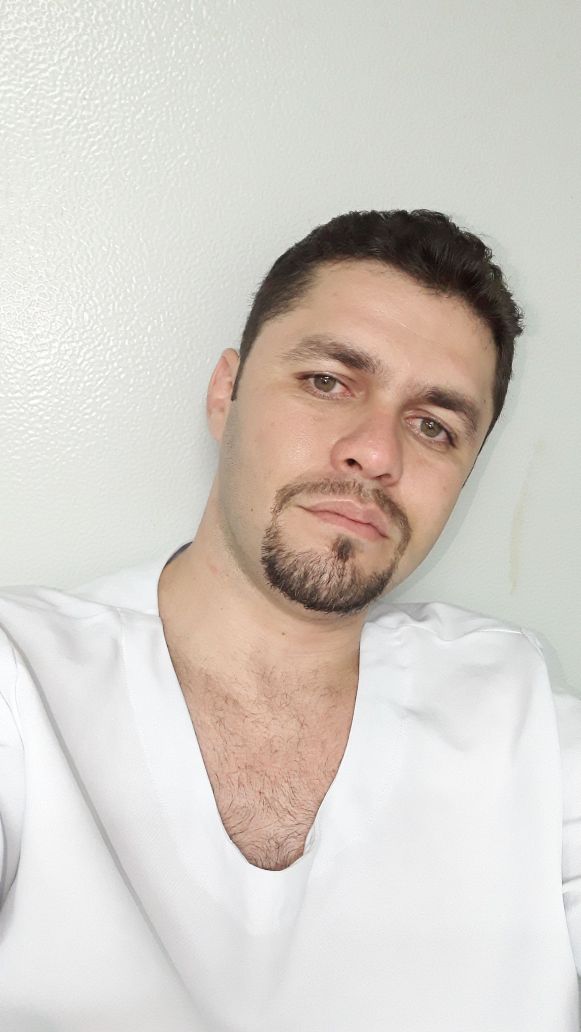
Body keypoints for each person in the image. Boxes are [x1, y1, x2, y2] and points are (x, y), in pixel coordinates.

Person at [0, 209, 579, 1032]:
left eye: (433, 425)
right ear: (225, 393)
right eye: (328, 382)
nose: (376, 453)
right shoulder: (21, 682)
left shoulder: (523, 716)